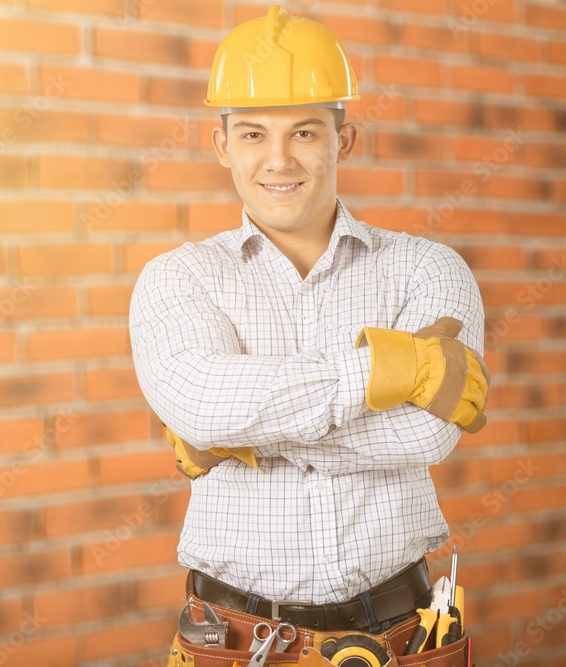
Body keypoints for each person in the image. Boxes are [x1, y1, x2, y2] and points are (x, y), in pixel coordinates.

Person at [128, 6, 489, 665]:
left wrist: (244, 428)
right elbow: (204, 406)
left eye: (304, 132)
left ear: (343, 139)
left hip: (398, 634)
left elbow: (426, 434)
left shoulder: (429, 269)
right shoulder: (179, 278)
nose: (278, 159)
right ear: (221, 145)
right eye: (253, 134)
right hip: (232, 641)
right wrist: (383, 370)